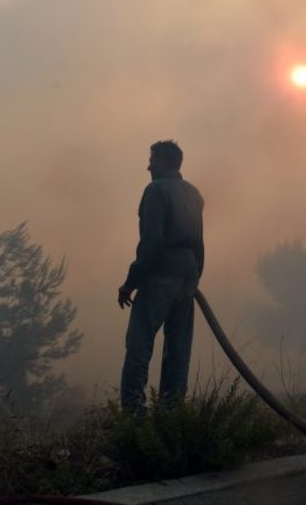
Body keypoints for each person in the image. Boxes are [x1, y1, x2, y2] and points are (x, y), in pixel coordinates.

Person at [118, 140, 205, 411]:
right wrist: (194, 276)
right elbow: (199, 242)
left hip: (161, 275)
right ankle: (172, 412)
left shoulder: (155, 191)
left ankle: (134, 415)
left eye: (152, 160)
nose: (148, 166)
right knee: (178, 348)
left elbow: (151, 242)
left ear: (165, 162)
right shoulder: (193, 192)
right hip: (188, 276)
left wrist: (130, 283)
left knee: (139, 345)